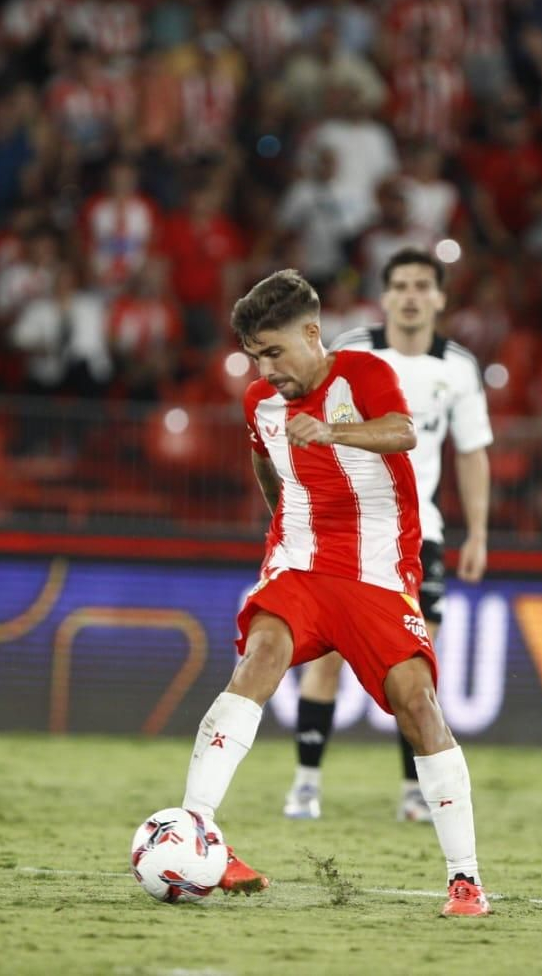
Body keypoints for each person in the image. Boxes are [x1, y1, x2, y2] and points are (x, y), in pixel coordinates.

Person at [180, 269, 490, 917]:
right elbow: (265, 465)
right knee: (256, 662)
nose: (265, 370)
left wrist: (332, 433)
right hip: (299, 564)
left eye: (273, 352)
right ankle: (196, 830)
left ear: (312, 333)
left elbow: (402, 431)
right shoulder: (258, 404)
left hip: (377, 571)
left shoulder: (360, 374)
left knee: (417, 702)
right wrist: (284, 531)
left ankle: (465, 880)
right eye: (254, 356)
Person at [283, 247, 492, 823]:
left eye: (423, 285)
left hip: (419, 534)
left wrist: (476, 532)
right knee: (326, 655)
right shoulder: (350, 352)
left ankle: (412, 794)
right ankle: (305, 785)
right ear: (385, 294)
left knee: (416, 664)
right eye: (400, 284)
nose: (410, 295)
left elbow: (472, 453)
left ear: (440, 298)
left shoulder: (458, 367)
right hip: (350, 527)